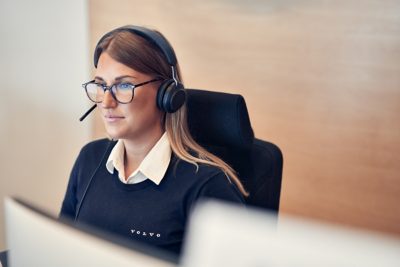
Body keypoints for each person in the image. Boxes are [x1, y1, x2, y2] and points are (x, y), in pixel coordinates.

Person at [60, 25, 247, 256]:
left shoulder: (208, 187)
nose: (106, 102)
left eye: (124, 85)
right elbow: (61, 250)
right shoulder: (90, 158)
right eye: (101, 85)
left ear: (167, 94)